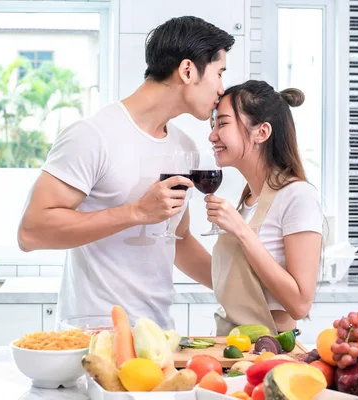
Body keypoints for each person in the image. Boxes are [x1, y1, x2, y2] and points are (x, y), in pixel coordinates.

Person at [17, 16, 235, 329]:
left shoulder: (182, 145)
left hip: (158, 337)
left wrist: (238, 288)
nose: (221, 89)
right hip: (94, 339)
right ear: (188, 71)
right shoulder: (92, 135)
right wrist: (135, 212)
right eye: (219, 73)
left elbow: (180, 239)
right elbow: (31, 232)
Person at [204, 80, 323, 335]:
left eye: (222, 123)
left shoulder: (297, 196)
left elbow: (300, 304)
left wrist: (241, 231)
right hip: (233, 347)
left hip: (271, 353)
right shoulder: (247, 200)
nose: (212, 135)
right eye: (213, 124)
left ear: (262, 132)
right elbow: (236, 279)